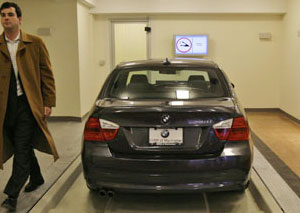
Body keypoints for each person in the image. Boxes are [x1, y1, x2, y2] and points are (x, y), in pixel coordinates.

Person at [0, 2, 59, 211]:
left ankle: (11, 196)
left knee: (22, 148)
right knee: (18, 146)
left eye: (10, 15)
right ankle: (36, 177)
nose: (6, 18)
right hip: (6, 107)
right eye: (3, 15)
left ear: (19, 19)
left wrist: (48, 101)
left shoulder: (35, 43)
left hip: (27, 104)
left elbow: (47, 73)